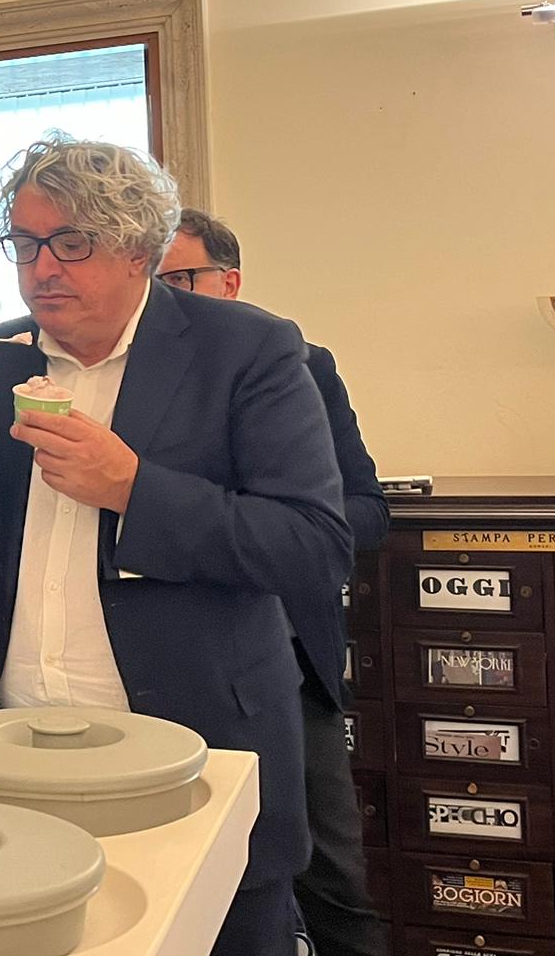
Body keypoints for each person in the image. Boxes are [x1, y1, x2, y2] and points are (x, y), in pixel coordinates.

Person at [0, 133, 352, 955]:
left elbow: (311, 546)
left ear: (138, 250)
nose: (41, 269)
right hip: (9, 758)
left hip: (194, 755)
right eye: (25, 244)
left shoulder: (247, 350)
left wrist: (134, 488)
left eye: (71, 243)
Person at [158, 208, 389, 956]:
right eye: (150, 280)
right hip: (167, 660)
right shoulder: (127, 385)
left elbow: (365, 509)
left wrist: (263, 529)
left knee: (330, 876)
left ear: (230, 282)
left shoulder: (298, 364)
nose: (162, 296)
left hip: (287, 661)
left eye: (179, 278)